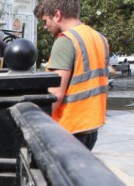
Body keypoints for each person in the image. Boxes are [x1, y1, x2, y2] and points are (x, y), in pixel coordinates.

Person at [34, 0, 109, 151]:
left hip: (68, 127)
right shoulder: (99, 38)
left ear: (57, 14)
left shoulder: (66, 41)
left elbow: (56, 92)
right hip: (91, 126)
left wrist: (36, 122)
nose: (45, 27)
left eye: (45, 21)